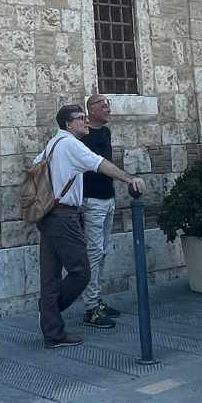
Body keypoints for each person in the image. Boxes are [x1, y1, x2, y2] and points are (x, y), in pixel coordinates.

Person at [35, 102, 145, 349]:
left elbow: (35, 166)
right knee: (81, 271)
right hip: (64, 216)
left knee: (50, 276)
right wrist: (129, 178)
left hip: (48, 215)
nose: (85, 121)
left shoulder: (53, 144)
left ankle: (53, 333)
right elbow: (100, 163)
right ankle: (49, 311)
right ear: (68, 124)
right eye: (80, 118)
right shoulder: (71, 144)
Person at [78, 93, 124, 329]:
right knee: (93, 253)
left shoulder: (105, 132)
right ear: (91, 109)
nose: (108, 109)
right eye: (103, 105)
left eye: (108, 104)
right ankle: (90, 308)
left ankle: (96, 300)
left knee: (102, 251)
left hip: (108, 198)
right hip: (92, 201)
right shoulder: (82, 135)